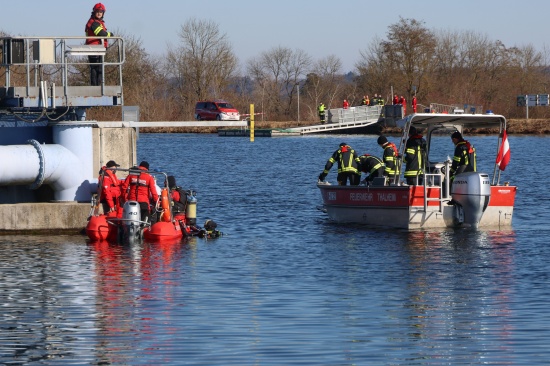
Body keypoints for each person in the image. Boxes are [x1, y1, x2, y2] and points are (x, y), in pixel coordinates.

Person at [85, 3, 115, 86]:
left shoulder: (97, 22)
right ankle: (96, 87)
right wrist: (110, 34)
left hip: (98, 48)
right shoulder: (93, 23)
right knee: (95, 68)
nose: (99, 13)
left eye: (101, 12)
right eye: (97, 11)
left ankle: (98, 86)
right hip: (94, 48)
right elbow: (102, 33)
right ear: (94, 12)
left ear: (103, 13)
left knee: (99, 68)